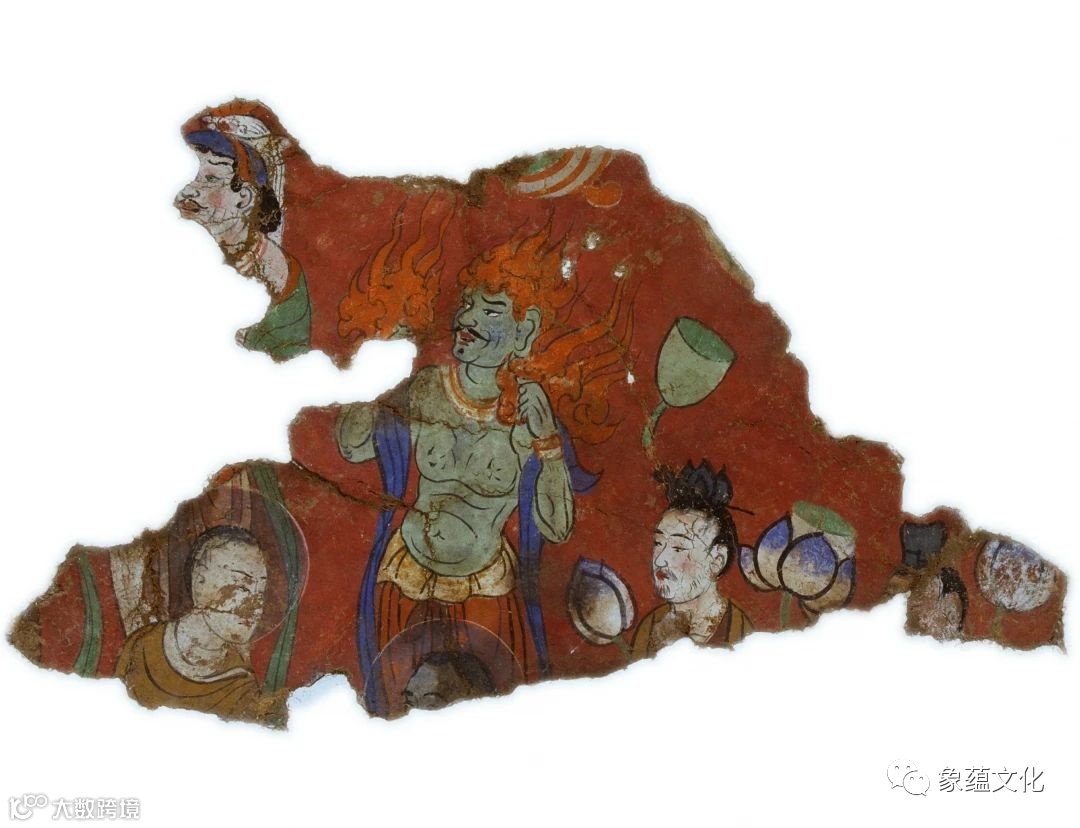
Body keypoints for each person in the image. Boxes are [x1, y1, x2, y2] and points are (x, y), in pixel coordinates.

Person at [336, 220, 633, 713]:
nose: (468, 319)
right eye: (467, 306)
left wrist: (548, 444)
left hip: (486, 590)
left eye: (490, 310)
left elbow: (557, 527)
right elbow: (352, 447)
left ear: (525, 330)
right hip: (404, 575)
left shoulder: (530, 415)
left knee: (484, 709)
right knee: (396, 702)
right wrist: (372, 376)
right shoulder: (427, 388)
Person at [114, 526, 286, 725]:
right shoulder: (143, 646)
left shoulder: (243, 687)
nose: (255, 605)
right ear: (199, 582)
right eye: (241, 585)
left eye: (260, 592)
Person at [175, 111, 311, 360]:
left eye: (210, 179)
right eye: (197, 178)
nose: (189, 190)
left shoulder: (275, 267)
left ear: (244, 199)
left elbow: (292, 331)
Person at [631, 461, 752, 658]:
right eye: (658, 543)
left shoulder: (738, 631)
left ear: (717, 561)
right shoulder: (651, 625)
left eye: (679, 548)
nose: (660, 560)